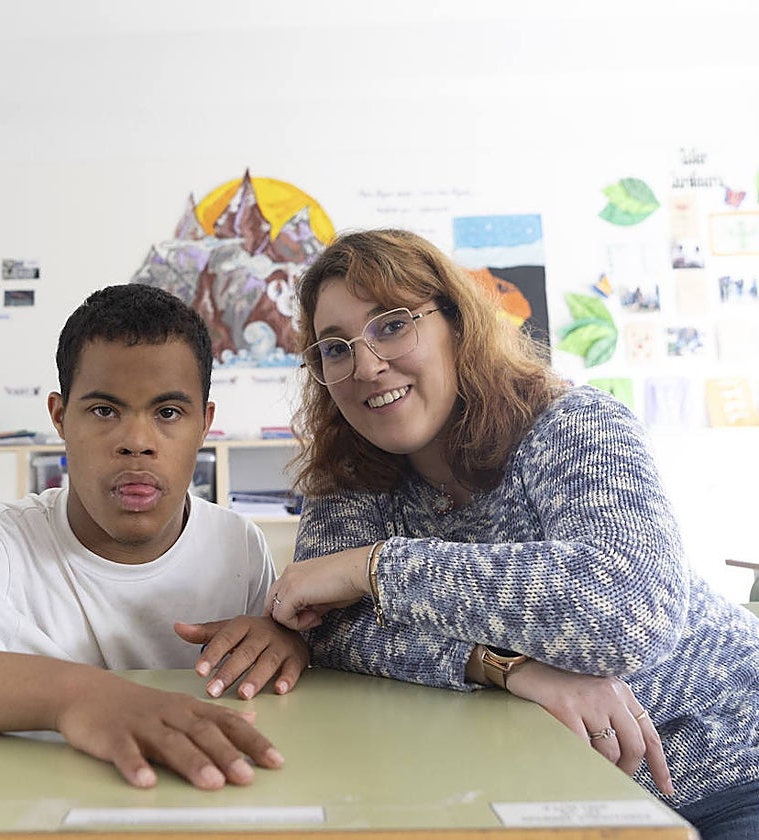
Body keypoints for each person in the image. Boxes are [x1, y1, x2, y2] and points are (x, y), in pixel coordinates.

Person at [261, 228, 759, 839]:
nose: (365, 365)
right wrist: (501, 664)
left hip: (727, 767)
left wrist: (374, 567)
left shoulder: (575, 425)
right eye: (334, 348)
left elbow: (627, 612)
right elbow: (331, 633)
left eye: (392, 325)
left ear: (457, 324)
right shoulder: (350, 475)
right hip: (535, 793)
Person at [0, 283, 309, 791]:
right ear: (60, 418)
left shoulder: (238, 546)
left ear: (205, 424)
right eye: (105, 411)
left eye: (168, 413)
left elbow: (280, 680)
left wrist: (290, 643)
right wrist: (79, 696)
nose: (137, 443)